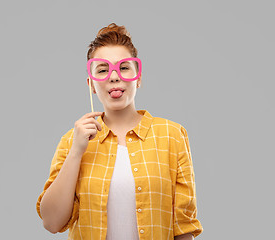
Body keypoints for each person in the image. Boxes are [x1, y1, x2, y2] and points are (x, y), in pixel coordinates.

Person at [36, 23, 203, 240]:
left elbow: (184, 228)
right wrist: (76, 152)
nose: (114, 76)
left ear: (139, 77)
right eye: (103, 70)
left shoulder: (171, 135)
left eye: (123, 67)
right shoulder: (72, 141)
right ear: (91, 85)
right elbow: (51, 222)